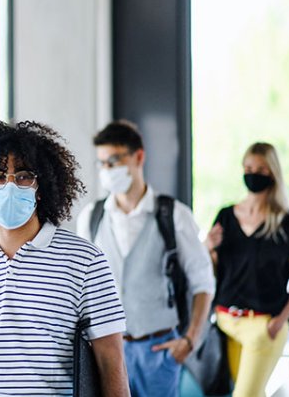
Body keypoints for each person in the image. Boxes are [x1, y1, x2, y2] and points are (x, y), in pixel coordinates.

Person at [0, 120, 129, 396]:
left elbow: (111, 359)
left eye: (24, 176)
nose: (10, 185)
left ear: (40, 188)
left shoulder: (86, 261)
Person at [76, 120, 215, 397]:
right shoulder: (91, 218)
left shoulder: (173, 215)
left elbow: (203, 282)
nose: (107, 170)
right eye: (102, 163)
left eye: (114, 160)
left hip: (159, 352)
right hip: (106, 350)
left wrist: (189, 341)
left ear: (138, 156)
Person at [204, 142, 289, 396]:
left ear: (272, 173)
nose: (253, 173)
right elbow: (210, 270)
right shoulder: (226, 216)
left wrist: (280, 321)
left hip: (263, 326)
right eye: (248, 167)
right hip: (226, 321)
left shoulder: (288, 223)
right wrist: (208, 247)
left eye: (260, 168)